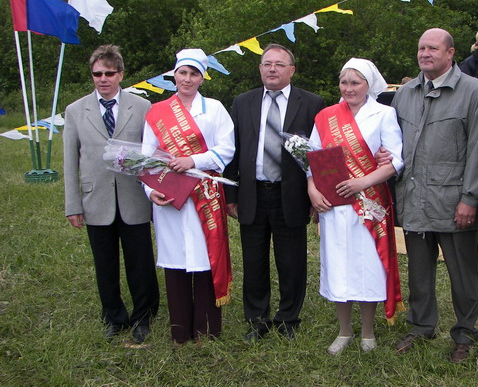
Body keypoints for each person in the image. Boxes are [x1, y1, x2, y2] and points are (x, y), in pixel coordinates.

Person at [391, 28, 478, 362]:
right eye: (421, 48)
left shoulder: (473, 92)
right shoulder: (405, 93)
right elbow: (393, 144)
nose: (425, 53)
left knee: (463, 273)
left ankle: (465, 334)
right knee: (419, 271)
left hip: (453, 203)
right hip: (415, 199)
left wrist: (470, 198)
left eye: (433, 48)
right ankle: (421, 326)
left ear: (451, 53)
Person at [224, 44, 324, 340]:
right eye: (267, 63)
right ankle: (256, 320)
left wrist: (315, 195)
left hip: (291, 194)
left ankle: (288, 319)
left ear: (291, 70)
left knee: (291, 261)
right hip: (252, 192)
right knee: (254, 261)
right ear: (260, 68)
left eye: (279, 64)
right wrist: (231, 194)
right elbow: (233, 150)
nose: (272, 69)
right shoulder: (243, 102)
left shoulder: (312, 103)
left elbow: (317, 154)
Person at [307, 58, 404, 355]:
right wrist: (312, 190)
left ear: (368, 85)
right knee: (339, 265)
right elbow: (312, 159)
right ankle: (344, 330)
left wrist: (362, 183)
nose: (349, 88)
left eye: (355, 82)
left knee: (368, 265)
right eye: (344, 82)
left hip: (369, 203)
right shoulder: (325, 116)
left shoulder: (384, 114)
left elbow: (396, 160)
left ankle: (367, 331)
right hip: (334, 205)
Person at [63, 45, 159, 344]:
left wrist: (157, 191)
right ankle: (114, 317)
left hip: (135, 199)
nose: (102, 79)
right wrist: (72, 204)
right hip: (96, 201)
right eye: (97, 74)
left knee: (140, 262)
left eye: (108, 73)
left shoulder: (142, 107)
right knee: (105, 264)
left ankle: (143, 316)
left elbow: (153, 155)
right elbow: (69, 160)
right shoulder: (76, 111)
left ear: (120, 74)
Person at [142, 48, 235, 345]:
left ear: (202, 77)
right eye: (183, 72)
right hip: (169, 196)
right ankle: (180, 329)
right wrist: (150, 189)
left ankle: (206, 329)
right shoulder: (157, 111)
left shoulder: (216, 109)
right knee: (175, 258)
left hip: (204, 194)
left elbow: (227, 149)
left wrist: (193, 161)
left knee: (205, 255)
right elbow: (146, 157)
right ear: (174, 75)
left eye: (194, 73)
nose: (187, 78)